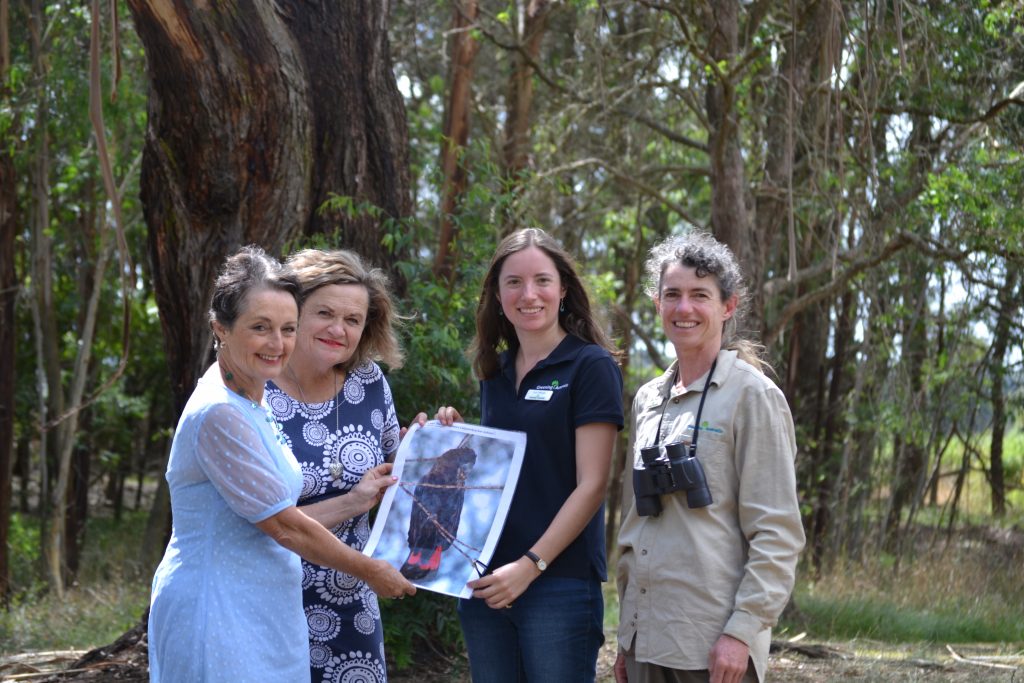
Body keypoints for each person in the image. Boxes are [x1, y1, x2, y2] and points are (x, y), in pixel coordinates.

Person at [148, 246, 415, 683]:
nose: (277, 343)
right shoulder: (221, 411)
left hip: (273, 602)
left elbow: (393, 474)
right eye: (260, 327)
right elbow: (283, 526)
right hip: (220, 606)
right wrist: (371, 570)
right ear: (221, 328)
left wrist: (433, 443)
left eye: (286, 328)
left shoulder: (251, 394)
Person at [434, 227, 624, 682]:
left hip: (558, 582)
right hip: (485, 579)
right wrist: (452, 434)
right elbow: (501, 469)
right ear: (498, 297)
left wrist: (531, 565)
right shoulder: (494, 372)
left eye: (541, 280)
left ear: (562, 290)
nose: (528, 294)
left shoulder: (590, 366)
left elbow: (592, 483)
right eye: (513, 282)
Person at [613, 232, 805, 683]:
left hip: (713, 650)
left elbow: (777, 533)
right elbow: (632, 525)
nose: (685, 308)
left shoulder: (753, 397)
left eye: (700, 295)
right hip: (647, 641)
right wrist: (628, 638)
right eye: (672, 295)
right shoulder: (647, 400)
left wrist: (740, 634)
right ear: (657, 303)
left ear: (728, 306)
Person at [265, 248, 404, 682]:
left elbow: (403, 478)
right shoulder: (253, 392)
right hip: (267, 601)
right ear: (293, 310)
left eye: (353, 320)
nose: (338, 329)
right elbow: (252, 522)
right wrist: (351, 502)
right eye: (324, 312)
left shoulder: (369, 382)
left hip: (352, 603)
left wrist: (435, 438)